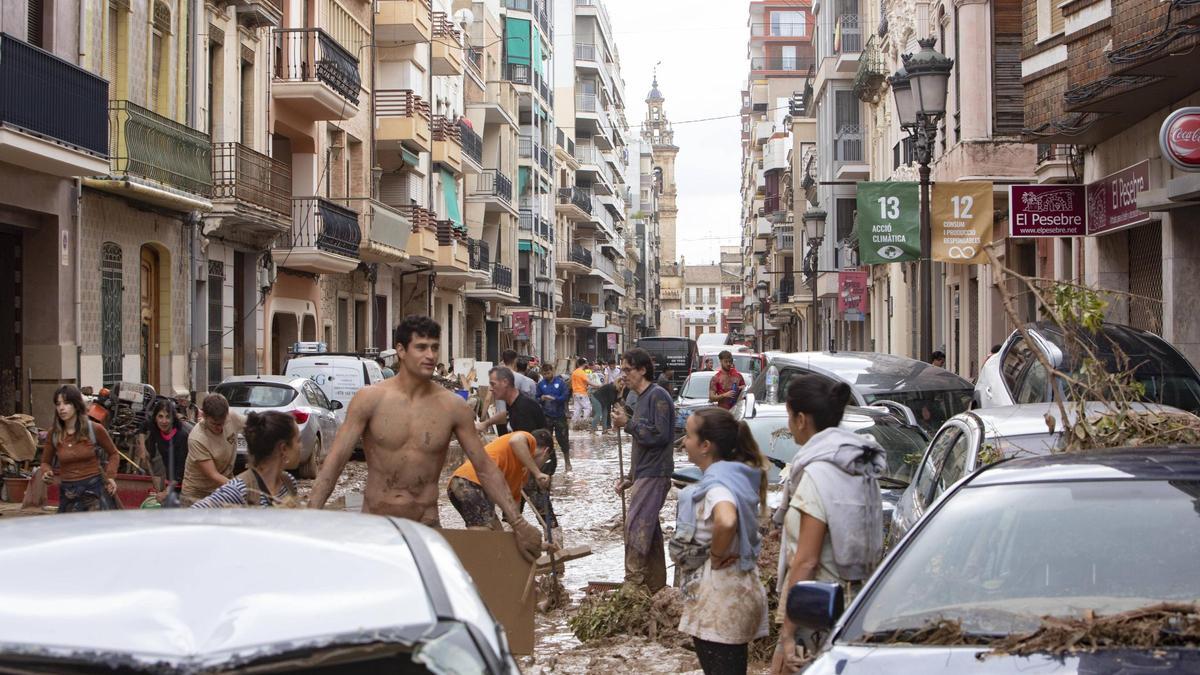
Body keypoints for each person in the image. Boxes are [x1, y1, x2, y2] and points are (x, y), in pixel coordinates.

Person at [308, 315, 543, 562]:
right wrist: (308, 520)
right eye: (421, 347)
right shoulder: (370, 399)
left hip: (426, 527)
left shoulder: (453, 407)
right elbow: (333, 465)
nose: (430, 355)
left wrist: (518, 523)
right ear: (401, 350)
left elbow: (485, 468)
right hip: (376, 526)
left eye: (434, 347)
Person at [771, 375, 886, 673]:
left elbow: (806, 561)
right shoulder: (859, 467)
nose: (787, 424)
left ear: (801, 419)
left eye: (788, 415)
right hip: (858, 609)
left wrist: (787, 632)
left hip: (814, 612)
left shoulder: (817, 475)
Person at [673, 408, 770, 675]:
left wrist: (715, 555)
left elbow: (726, 520)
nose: (684, 441)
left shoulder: (717, 485)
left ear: (705, 446)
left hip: (721, 597)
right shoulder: (735, 478)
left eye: (689, 435)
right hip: (738, 590)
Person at [610, 348, 676, 592]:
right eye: (622, 370)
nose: (623, 375)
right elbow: (641, 445)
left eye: (628, 370)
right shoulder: (639, 399)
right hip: (644, 472)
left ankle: (634, 585)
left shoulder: (657, 396)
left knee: (635, 526)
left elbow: (659, 435)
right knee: (650, 532)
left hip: (656, 472)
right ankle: (656, 587)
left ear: (642, 370)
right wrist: (630, 477)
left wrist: (628, 424)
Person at [489, 366, 557, 535]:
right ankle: (514, 551)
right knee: (511, 511)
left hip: (538, 461)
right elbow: (504, 416)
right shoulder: (512, 404)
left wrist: (532, 472)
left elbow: (528, 447)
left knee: (542, 511)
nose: (490, 388)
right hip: (524, 463)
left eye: (493, 384)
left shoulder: (524, 408)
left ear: (505, 383)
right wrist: (485, 424)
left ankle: (555, 547)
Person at [192, 411, 299, 508]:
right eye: (298, 440)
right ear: (283, 448)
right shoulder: (239, 490)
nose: (300, 446)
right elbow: (192, 514)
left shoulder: (288, 482)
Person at [39, 385, 120, 512]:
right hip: (68, 493)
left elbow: (114, 454)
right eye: (58, 404)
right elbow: (45, 462)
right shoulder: (54, 434)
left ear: (76, 405)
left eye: (66, 403)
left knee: (95, 530)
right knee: (69, 530)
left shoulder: (94, 429)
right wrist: (46, 473)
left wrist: (110, 476)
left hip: (94, 491)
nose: (61, 408)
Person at [449, 430, 552, 529]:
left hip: (461, 484)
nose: (542, 465)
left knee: (499, 536)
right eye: (546, 460)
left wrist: (521, 531)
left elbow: (513, 506)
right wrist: (537, 473)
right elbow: (515, 441)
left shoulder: (521, 475)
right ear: (545, 452)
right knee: (484, 534)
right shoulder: (528, 439)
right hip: (471, 481)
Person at [180, 393, 243, 506]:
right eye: (214, 424)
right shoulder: (197, 438)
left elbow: (255, 426)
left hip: (224, 488)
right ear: (204, 415)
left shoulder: (231, 417)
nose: (220, 428)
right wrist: (240, 487)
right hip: (197, 494)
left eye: (222, 423)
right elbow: (213, 475)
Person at [138, 398, 190, 502]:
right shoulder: (156, 426)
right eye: (160, 416)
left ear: (173, 418)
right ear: (156, 417)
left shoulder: (181, 436)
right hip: (169, 478)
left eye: (168, 417)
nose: (164, 421)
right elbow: (142, 427)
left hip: (184, 483)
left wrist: (166, 492)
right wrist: (143, 448)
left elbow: (180, 471)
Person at [537, 361, 572, 472]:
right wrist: (541, 399)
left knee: (563, 439)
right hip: (546, 416)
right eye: (544, 373)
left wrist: (555, 399)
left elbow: (566, 396)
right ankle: (548, 464)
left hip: (559, 415)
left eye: (548, 372)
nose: (546, 375)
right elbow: (536, 398)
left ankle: (567, 463)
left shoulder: (561, 383)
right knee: (546, 441)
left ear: (552, 371)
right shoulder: (541, 385)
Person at [570, 358, 592, 429]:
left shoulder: (574, 372)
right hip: (582, 393)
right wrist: (597, 385)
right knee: (588, 408)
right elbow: (588, 381)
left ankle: (574, 424)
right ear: (584, 364)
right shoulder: (582, 372)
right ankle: (584, 423)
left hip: (575, 393)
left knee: (577, 409)